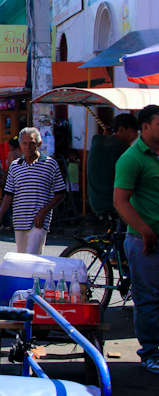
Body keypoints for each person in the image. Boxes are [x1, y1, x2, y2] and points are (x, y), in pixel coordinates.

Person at [114, 105, 159, 374]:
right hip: (146, 243)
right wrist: (145, 231)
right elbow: (120, 201)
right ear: (145, 127)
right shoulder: (132, 158)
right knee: (149, 300)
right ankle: (152, 352)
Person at [0, 128, 65, 254]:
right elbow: (9, 194)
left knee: (33, 257)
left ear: (39, 144)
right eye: (24, 143)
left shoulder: (50, 164)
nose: (28, 147)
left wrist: (44, 212)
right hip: (20, 219)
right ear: (20, 145)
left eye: (32, 143)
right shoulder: (15, 165)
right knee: (22, 259)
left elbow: (61, 193)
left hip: (39, 220)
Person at [88, 113, 139, 217]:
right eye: (133, 132)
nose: (135, 136)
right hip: (112, 204)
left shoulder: (97, 141)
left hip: (96, 202)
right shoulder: (121, 147)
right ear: (121, 129)